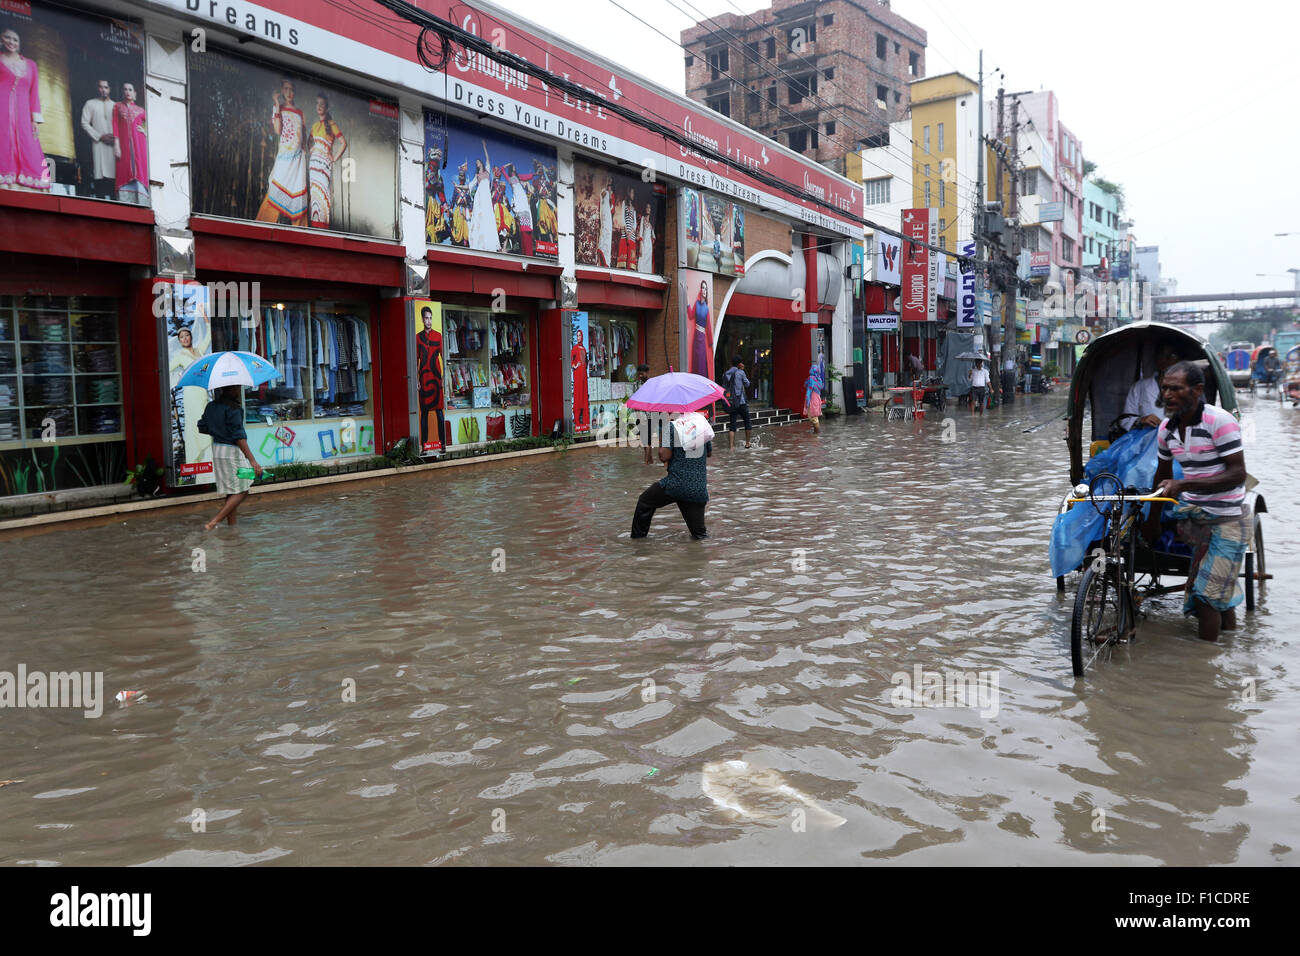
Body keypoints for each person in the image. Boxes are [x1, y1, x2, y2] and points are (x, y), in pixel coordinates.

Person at [1145, 361, 1250, 643]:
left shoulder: (1219, 421)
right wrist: (1151, 521)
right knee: (1215, 593)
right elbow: (1162, 476)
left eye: (1176, 389)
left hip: (1229, 520)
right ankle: (1230, 644)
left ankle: (1206, 669)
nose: (1167, 394)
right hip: (1195, 519)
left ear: (1197, 390)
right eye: (1164, 388)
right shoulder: (1166, 430)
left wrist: (1185, 484)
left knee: (1205, 597)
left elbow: (1237, 474)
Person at [630, 414, 711, 540]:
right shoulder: (701, 424)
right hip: (698, 488)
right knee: (699, 536)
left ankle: (638, 543)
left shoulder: (671, 427)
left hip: (676, 484)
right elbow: (709, 452)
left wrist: (664, 439)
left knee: (644, 502)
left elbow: (664, 456)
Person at [197, 385, 263, 529]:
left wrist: (218, 429)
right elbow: (239, 437)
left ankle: (232, 526)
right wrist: (252, 460)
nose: (239, 391)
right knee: (242, 490)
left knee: (232, 491)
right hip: (231, 452)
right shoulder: (234, 408)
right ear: (230, 390)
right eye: (237, 388)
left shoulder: (211, 406)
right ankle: (213, 522)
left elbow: (202, 426)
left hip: (218, 450)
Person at [0, 28, 51, 191]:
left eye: (15, 39)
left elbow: (34, 93)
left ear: (19, 43)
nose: (11, 42)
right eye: (7, 38)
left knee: (28, 145)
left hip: (23, 112)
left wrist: (35, 119)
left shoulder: (31, 65)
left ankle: (28, 185)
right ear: (1, 40)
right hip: (1, 109)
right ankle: (7, 181)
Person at [256, 79, 308, 225]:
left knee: (299, 194)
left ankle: (301, 232)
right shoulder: (278, 108)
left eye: (291, 89)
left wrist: (304, 153)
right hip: (285, 157)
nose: (289, 92)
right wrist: (277, 104)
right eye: (286, 89)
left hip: (298, 159)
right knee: (277, 189)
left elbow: (303, 135)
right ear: (281, 91)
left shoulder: (300, 113)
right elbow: (278, 130)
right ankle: (263, 226)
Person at [308, 93, 346, 229]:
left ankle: (322, 229)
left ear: (327, 107)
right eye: (317, 103)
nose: (319, 106)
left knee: (323, 196)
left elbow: (343, 143)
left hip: (324, 165)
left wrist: (334, 158)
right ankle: (315, 226)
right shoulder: (314, 126)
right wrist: (313, 149)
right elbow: (309, 143)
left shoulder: (331, 124)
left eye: (322, 104)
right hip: (313, 165)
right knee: (314, 197)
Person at [1123, 342, 1181, 430]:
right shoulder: (1139, 387)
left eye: (1172, 356)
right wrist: (1141, 420)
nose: (1165, 360)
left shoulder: (1191, 388)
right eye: (1161, 355)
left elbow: (1201, 419)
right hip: (1147, 441)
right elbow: (1125, 421)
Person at [80, 79, 116, 199]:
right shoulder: (90, 103)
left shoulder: (116, 106)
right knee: (100, 176)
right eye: (100, 87)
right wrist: (99, 136)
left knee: (114, 177)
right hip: (98, 144)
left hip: (113, 146)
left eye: (106, 87)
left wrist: (115, 138)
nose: (103, 90)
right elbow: (84, 123)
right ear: (97, 89)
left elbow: (122, 127)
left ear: (109, 89)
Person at [415, 306, 445, 451]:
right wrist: (416, 380)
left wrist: (445, 378)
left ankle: (443, 444)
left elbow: (444, 357)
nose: (429, 321)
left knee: (440, 412)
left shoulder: (438, 336)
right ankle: (424, 446)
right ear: (422, 319)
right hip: (424, 379)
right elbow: (415, 360)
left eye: (430, 318)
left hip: (437, 378)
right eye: (426, 318)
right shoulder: (417, 337)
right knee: (424, 412)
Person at [468, 150, 499, 252]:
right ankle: (478, 243)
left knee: (488, 215)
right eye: (476, 163)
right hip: (479, 196)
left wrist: (485, 147)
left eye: (478, 162)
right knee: (478, 216)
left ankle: (488, 243)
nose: (477, 164)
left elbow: (488, 159)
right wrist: (457, 186)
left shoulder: (487, 171)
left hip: (486, 196)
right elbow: (470, 185)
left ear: (481, 163)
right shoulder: (477, 176)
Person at [722, 355, 752, 447]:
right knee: (747, 422)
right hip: (741, 402)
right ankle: (747, 443)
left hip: (731, 402)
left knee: (732, 424)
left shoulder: (725, 374)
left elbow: (724, 388)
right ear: (739, 364)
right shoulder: (740, 372)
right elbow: (747, 384)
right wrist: (742, 371)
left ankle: (731, 447)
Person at [690, 280, 711, 377]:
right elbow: (690, 315)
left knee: (702, 362)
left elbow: (709, 326)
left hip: (702, 338)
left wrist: (711, 343)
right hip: (696, 336)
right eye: (703, 288)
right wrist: (687, 300)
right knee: (696, 361)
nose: (704, 290)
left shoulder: (706, 308)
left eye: (705, 289)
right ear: (700, 290)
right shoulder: (697, 303)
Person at [615, 185, 638, 270]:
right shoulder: (624, 203)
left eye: (633, 193)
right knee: (623, 254)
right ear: (629, 193)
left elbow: (635, 224)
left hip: (631, 235)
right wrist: (626, 231)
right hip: (625, 233)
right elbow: (623, 218)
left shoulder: (634, 208)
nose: (633, 195)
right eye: (632, 193)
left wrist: (631, 233)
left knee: (631, 255)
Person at [571, 327, 588, 430]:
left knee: (584, 396)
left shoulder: (584, 348)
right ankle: (577, 421)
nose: (578, 337)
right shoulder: (575, 348)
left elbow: (584, 361)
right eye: (577, 336)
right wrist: (575, 365)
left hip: (584, 375)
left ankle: (584, 422)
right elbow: (569, 359)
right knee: (578, 397)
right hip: (577, 374)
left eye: (580, 335)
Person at [804, 362, 824, 434]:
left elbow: (809, 389)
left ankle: (817, 435)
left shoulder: (811, 379)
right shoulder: (819, 379)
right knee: (815, 418)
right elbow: (821, 387)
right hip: (817, 399)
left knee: (813, 418)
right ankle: (815, 434)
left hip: (812, 399)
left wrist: (807, 400)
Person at [637, 201, 656, 273]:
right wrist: (641, 246)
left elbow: (653, 235)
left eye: (650, 208)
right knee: (641, 262)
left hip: (649, 246)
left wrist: (653, 239)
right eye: (647, 207)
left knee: (648, 265)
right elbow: (641, 233)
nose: (648, 209)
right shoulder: (643, 218)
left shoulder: (651, 222)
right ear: (645, 209)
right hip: (644, 244)